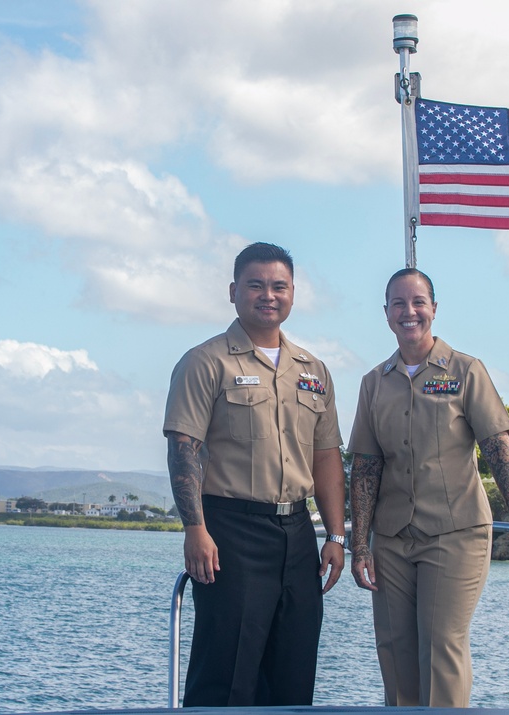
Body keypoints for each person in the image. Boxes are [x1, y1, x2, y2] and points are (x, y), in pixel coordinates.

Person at [348, 267, 509, 708]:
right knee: (396, 650)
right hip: (392, 539)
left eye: (418, 302)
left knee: (441, 646)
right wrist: (360, 546)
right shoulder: (373, 384)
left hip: (455, 535)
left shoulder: (466, 372)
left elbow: (499, 450)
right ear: (386, 314)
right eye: (398, 303)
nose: (409, 312)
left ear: (434, 310)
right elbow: (365, 468)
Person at [163, 242, 346, 707]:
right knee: (226, 671)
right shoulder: (206, 362)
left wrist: (337, 537)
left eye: (278, 286)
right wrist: (195, 529)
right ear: (233, 291)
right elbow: (184, 449)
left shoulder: (313, 370)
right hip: (230, 531)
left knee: (294, 665)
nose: (268, 295)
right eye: (256, 285)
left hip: (298, 532)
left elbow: (326, 456)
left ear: (293, 293)